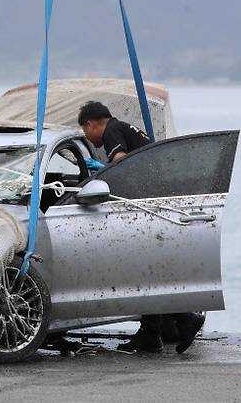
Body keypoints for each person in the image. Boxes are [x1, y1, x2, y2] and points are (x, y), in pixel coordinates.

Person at [77, 101, 205, 354]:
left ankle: (184, 318)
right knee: (148, 267)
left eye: (85, 131)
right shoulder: (126, 129)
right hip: (157, 200)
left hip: (146, 206)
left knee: (144, 268)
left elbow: (124, 166)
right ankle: (151, 333)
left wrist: (101, 174)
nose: (88, 138)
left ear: (91, 124)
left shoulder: (112, 130)